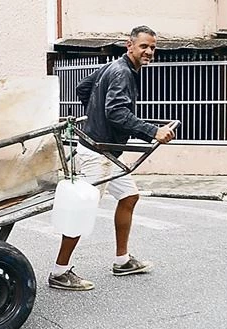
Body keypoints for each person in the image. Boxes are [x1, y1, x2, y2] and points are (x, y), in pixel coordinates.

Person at [48, 25, 176, 291]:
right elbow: (117, 113)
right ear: (129, 45)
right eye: (143, 46)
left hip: (105, 150)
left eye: (152, 47)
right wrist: (153, 131)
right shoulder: (121, 72)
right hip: (99, 153)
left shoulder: (116, 67)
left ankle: (122, 260)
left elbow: (84, 89)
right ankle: (59, 272)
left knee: (129, 197)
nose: (149, 51)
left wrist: (96, 116)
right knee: (82, 209)